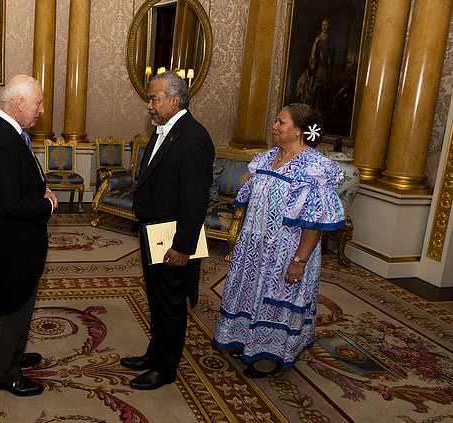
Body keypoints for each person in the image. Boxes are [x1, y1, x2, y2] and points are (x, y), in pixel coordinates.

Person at [212, 103, 345, 378]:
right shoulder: (266, 158)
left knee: (276, 301)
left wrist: (300, 260)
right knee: (250, 294)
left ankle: (269, 356)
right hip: (255, 247)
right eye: (275, 120)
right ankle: (250, 341)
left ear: (298, 130)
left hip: (287, 252)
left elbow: (314, 221)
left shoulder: (314, 168)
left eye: (281, 122)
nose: (274, 126)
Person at [120, 71, 215, 390]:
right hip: (153, 231)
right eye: (149, 98)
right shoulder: (164, 129)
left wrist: (183, 247)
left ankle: (166, 367)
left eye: (154, 99)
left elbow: (195, 199)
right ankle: (155, 352)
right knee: (158, 299)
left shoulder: (193, 137)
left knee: (171, 303)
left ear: (175, 101)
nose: (149, 105)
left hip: (172, 238)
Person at [0, 74, 59, 396]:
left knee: (23, 302)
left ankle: (13, 353)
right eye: (38, 104)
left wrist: (41, 188)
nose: (41, 111)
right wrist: (47, 207)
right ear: (20, 103)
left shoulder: (13, 134)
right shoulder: (2, 139)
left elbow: (19, 181)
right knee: (15, 303)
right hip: (14, 243)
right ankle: (4, 373)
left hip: (20, 240)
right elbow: (11, 204)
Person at [295, 17, 335, 108]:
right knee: (315, 88)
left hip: (326, 68)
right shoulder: (317, 40)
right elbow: (313, 53)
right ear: (321, 26)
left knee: (323, 89)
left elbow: (331, 55)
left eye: (326, 25)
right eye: (323, 25)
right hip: (318, 67)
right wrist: (313, 64)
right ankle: (312, 106)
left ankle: (319, 107)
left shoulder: (330, 41)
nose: (325, 27)